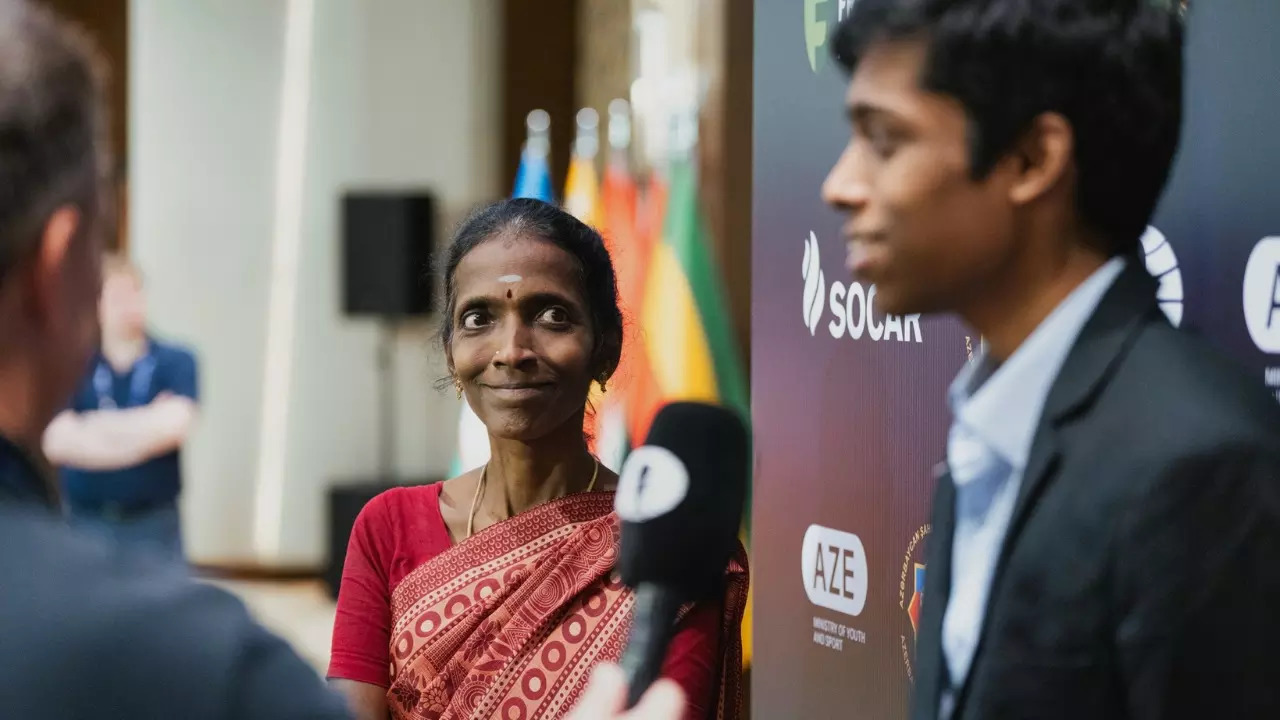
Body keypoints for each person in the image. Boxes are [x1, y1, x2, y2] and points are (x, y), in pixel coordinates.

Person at [821, 1, 1280, 719]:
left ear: (1032, 160)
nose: (840, 185)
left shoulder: (1200, 463)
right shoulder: (990, 427)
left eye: (885, 141)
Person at [0, 1, 352, 717]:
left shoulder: (175, 358)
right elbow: (89, 436)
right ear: (58, 265)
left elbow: (162, 426)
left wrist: (102, 438)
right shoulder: (198, 669)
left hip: (150, 524)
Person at [327, 198, 749, 720]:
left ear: (607, 346)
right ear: (450, 350)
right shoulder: (387, 527)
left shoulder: (670, 539)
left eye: (552, 315)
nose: (511, 350)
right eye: (479, 318)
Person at [44, 252, 199, 561]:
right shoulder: (70, 365)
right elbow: (57, 441)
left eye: (134, 292)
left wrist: (89, 427)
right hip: (83, 523)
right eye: (116, 296)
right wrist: (146, 424)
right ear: (95, 304)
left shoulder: (176, 360)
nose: (129, 304)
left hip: (155, 526)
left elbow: (174, 427)